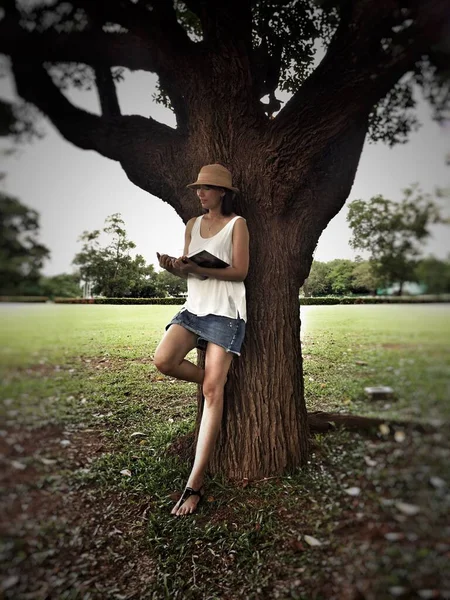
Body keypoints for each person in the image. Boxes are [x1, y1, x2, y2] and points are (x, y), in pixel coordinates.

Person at [154, 164, 249, 517]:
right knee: (164, 360)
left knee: (211, 393)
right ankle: (215, 384)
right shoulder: (192, 224)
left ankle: (194, 485)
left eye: (207, 188)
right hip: (193, 308)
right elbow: (188, 266)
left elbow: (240, 271)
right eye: (199, 187)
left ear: (223, 192)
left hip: (225, 312)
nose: (201, 193)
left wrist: (199, 269)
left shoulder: (237, 224)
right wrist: (176, 267)